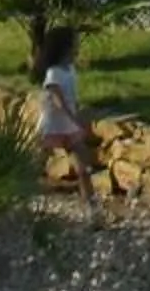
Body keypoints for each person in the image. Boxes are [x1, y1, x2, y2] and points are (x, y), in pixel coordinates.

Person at [35, 33, 102, 215]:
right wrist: (76, 119)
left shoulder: (70, 68)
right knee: (37, 164)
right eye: (75, 44)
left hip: (69, 123)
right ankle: (22, 199)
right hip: (53, 123)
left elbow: (72, 97)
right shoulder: (54, 72)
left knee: (83, 167)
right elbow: (58, 101)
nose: (78, 47)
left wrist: (78, 115)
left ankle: (91, 208)